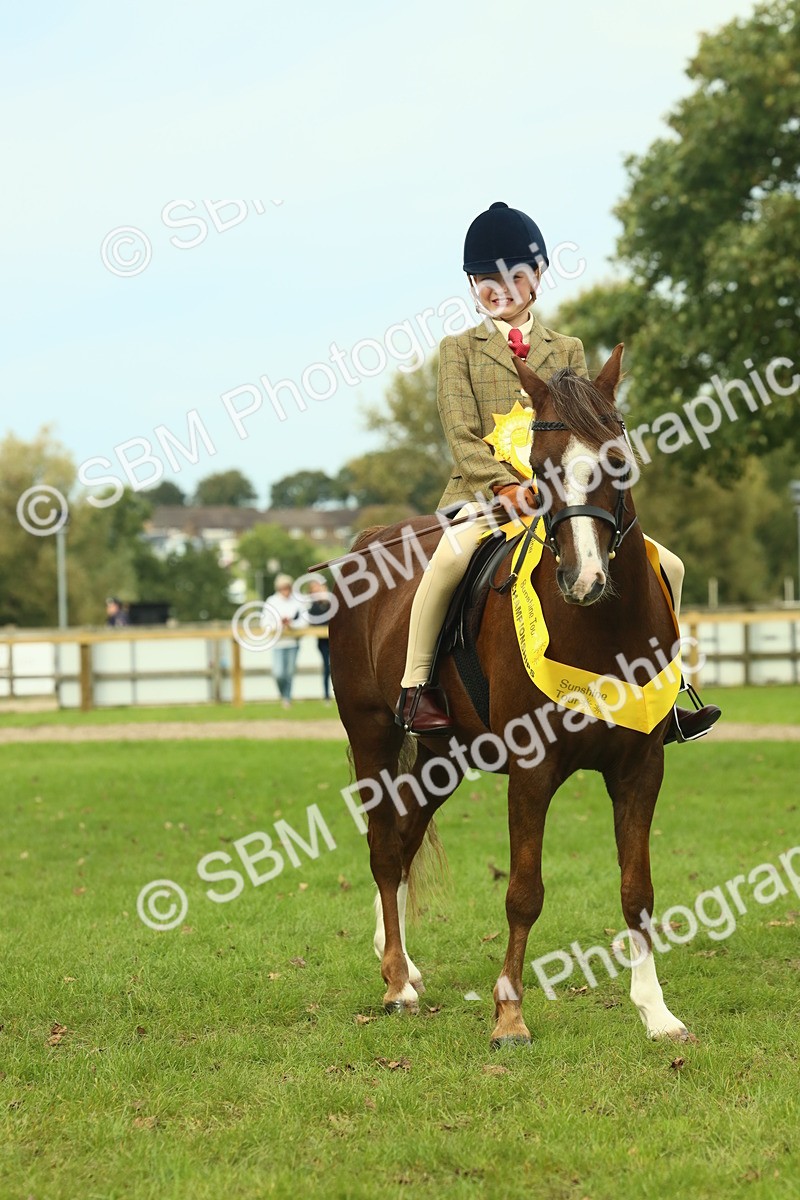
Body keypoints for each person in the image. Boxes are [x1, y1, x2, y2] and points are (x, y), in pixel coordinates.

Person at [394, 201, 721, 744]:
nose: (501, 290)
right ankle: (416, 684)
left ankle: (666, 686)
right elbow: (460, 434)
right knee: (450, 557)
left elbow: (584, 433)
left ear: (537, 277)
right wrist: (504, 485)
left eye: (514, 276)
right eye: (485, 281)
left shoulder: (565, 348)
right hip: (487, 496)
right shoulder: (459, 352)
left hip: (563, 498)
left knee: (673, 566)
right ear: (473, 286)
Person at [266, 573, 305, 708]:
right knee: (278, 673)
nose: (286, 591)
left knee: (289, 673)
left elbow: (303, 622)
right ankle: (283, 695)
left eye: (288, 587)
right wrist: (279, 624)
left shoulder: (297, 601)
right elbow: (264, 623)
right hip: (278, 643)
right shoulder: (271, 601)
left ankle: (287, 699)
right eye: (283, 588)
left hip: (293, 642)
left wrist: (291, 624)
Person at [306, 578, 333, 703]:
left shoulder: (332, 603)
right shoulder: (313, 607)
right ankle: (327, 695)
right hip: (323, 642)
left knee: (335, 668)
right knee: (327, 668)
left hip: (334, 642)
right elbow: (313, 622)